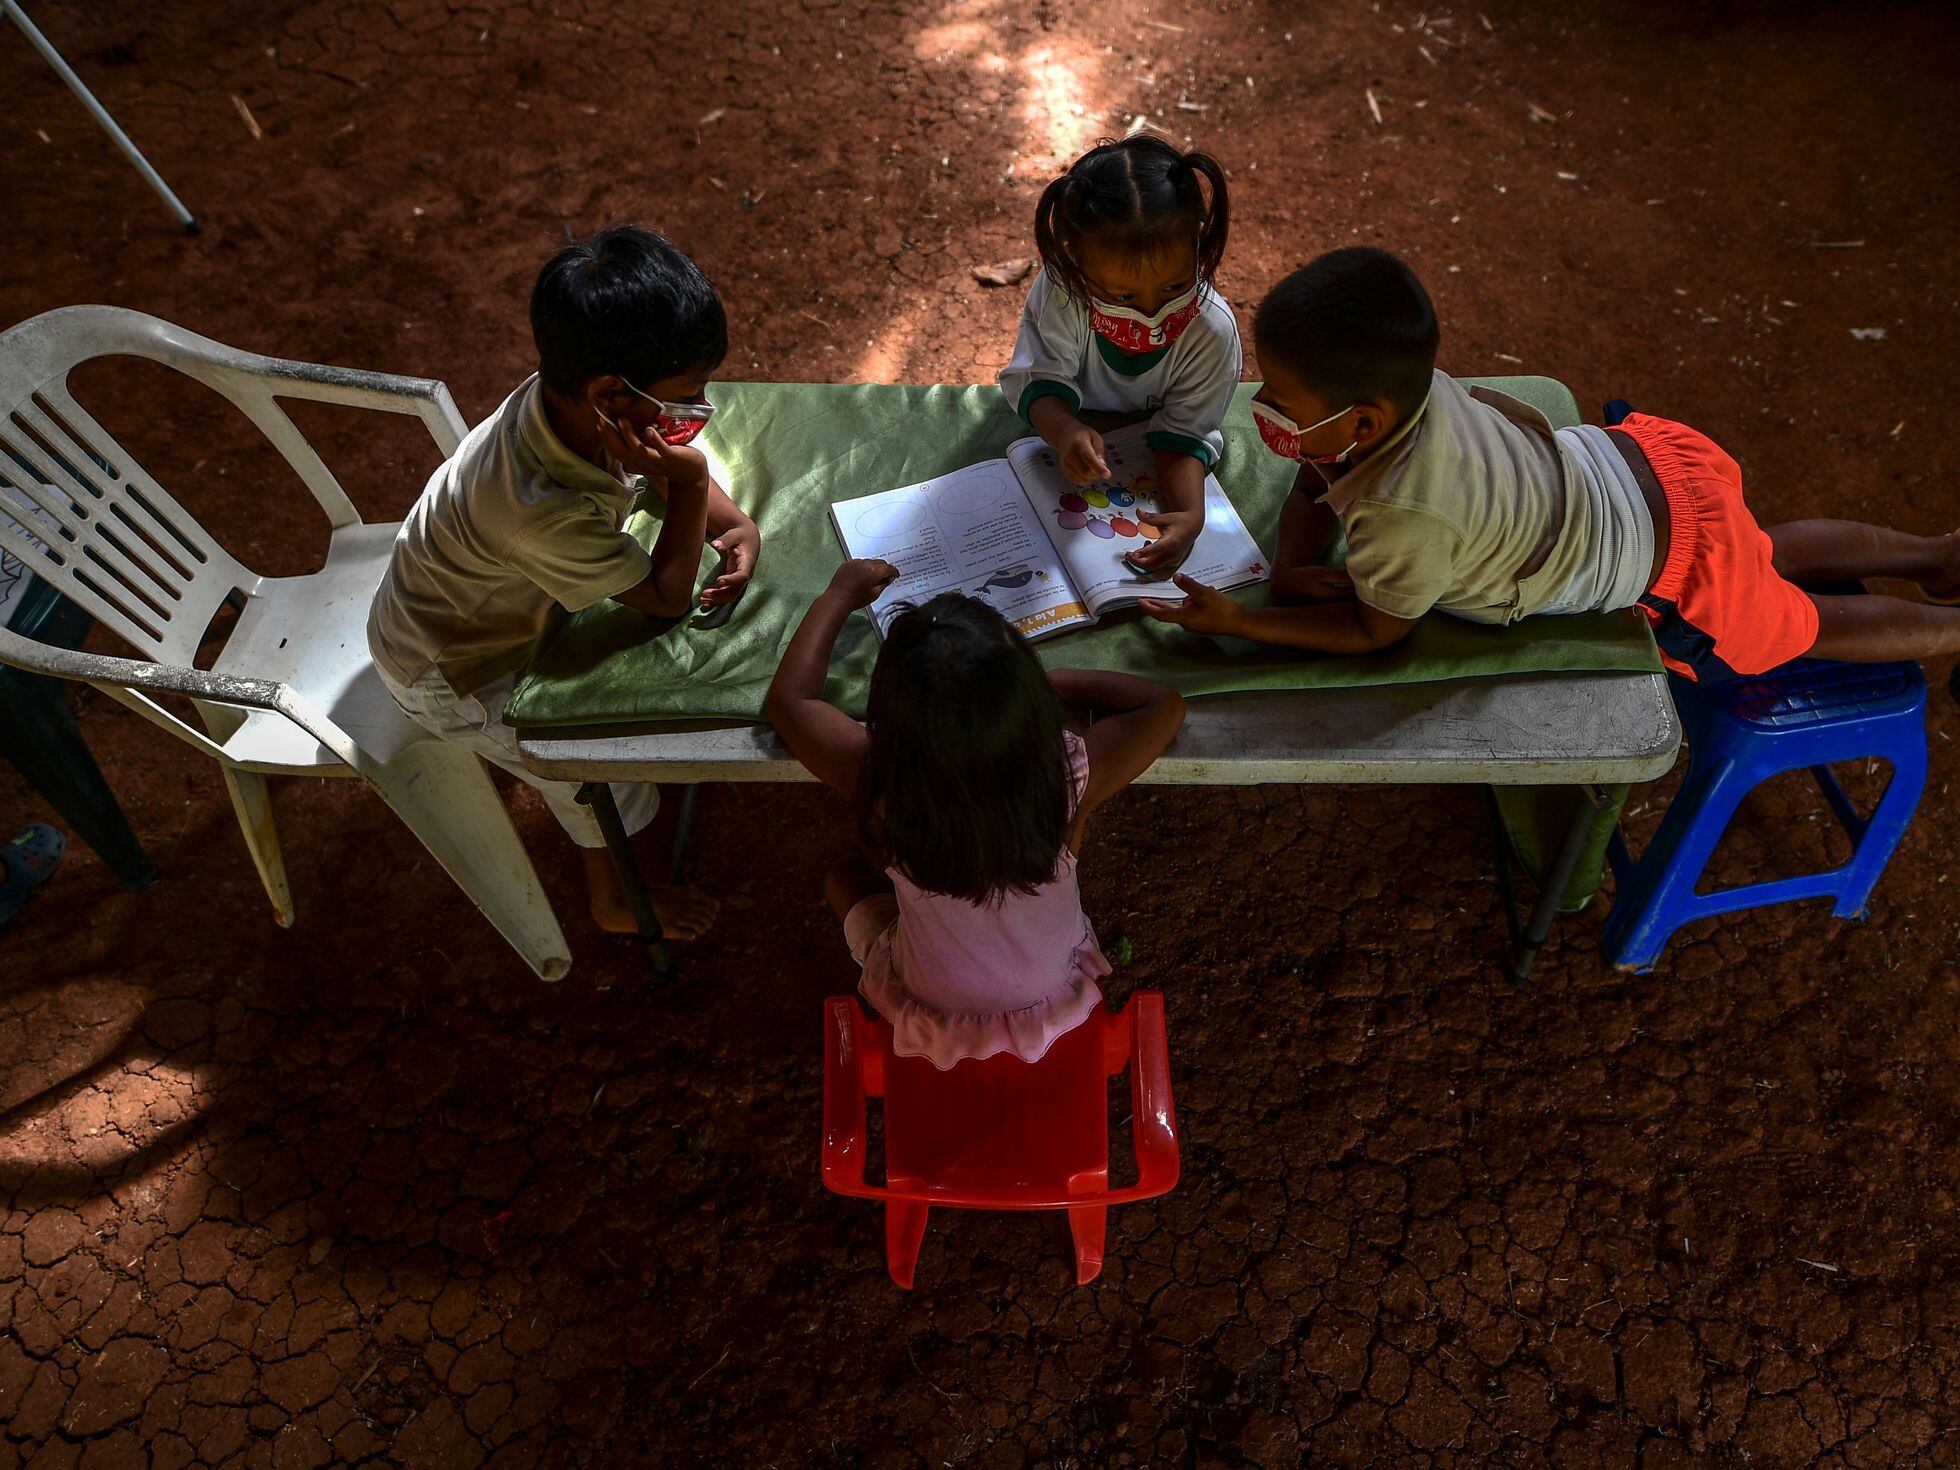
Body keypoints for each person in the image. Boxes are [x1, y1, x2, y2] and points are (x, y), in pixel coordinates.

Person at [1144, 246, 1960, 680]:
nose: (1267, 415)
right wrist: (1289, 568)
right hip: (1652, 470)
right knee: (1762, 545)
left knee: (1799, 627)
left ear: (1362, 420)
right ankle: (1938, 555)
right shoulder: (1416, 394)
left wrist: (1245, 618)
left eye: (1282, 400)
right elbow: (1313, 479)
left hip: (1670, 561)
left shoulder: (1405, 515)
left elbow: (1372, 630)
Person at [367, 226, 760, 939]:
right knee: (593, 759)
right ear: (613, 393)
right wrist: (696, 481)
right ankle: (614, 900)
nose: (691, 414)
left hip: (476, 603)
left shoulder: (573, 404)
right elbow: (667, 599)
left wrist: (727, 523)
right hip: (453, 664)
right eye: (682, 398)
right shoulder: (535, 507)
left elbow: (638, 473)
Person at [766, 559, 1184, 1068]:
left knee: (844, 878)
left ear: (890, 715)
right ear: (1024, 697)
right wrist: (1045, 683)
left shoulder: (881, 784)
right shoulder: (1066, 779)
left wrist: (838, 593)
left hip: (932, 1004)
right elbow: (1163, 707)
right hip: (1047, 994)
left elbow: (790, 702)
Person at [1000, 133, 1239, 577]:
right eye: (1123, 295)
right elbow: (1040, 379)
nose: (1151, 312)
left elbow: (1185, 432)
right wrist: (1064, 428)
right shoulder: (1062, 294)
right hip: (1074, 429)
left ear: (1199, 245)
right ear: (1075, 264)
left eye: (1174, 287)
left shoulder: (1211, 333)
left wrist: (1189, 514)